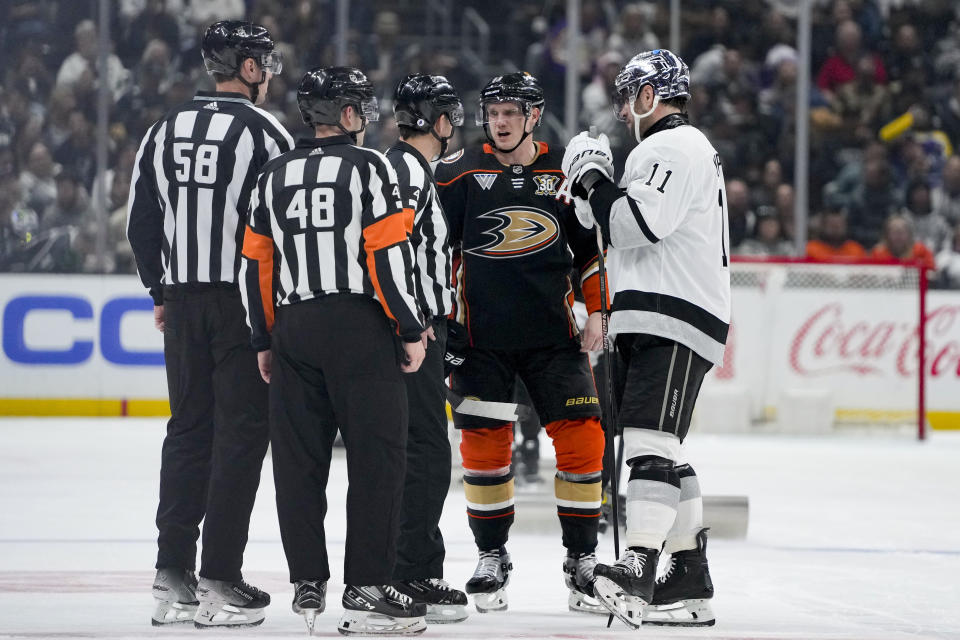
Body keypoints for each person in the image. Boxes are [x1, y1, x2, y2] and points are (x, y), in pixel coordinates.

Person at [239, 66, 428, 636]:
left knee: (300, 461)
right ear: (346, 115)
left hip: (295, 328)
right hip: (358, 328)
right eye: (361, 109)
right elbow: (387, 253)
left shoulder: (272, 174)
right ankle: (367, 586)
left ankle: (307, 582)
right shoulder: (371, 167)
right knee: (379, 457)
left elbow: (256, 267)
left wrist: (264, 338)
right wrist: (411, 327)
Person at [126, 20, 293, 628]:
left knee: (188, 432)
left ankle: (172, 576)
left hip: (186, 302)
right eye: (264, 64)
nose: (269, 74)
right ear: (247, 68)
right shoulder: (266, 131)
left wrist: (160, 289)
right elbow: (287, 222)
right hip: (243, 306)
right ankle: (221, 576)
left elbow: (140, 221)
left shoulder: (162, 129)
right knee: (241, 438)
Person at [563, 49, 726, 628]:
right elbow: (611, 225)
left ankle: (638, 561)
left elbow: (635, 225)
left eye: (632, 94)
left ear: (650, 95)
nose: (626, 107)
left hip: (670, 312)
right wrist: (589, 196)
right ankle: (687, 575)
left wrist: (591, 179)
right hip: (661, 311)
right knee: (663, 448)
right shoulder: (673, 149)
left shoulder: (670, 146)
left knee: (650, 443)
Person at [434, 71, 607, 615]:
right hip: (480, 342)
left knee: (584, 444)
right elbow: (437, 253)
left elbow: (589, 253)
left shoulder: (564, 173)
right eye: (494, 111)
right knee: (484, 451)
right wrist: (441, 326)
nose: (501, 121)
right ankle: (492, 556)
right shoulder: (459, 173)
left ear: (534, 116)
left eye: (512, 112)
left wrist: (598, 309)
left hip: (555, 340)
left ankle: (581, 560)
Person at [383, 73, 469, 623]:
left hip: (412, 328)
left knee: (413, 452)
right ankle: (410, 573)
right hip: (413, 333)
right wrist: (414, 321)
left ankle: (403, 569)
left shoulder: (400, 168)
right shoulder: (410, 175)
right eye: (449, 116)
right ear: (436, 121)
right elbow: (391, 252)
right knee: (425, 454)